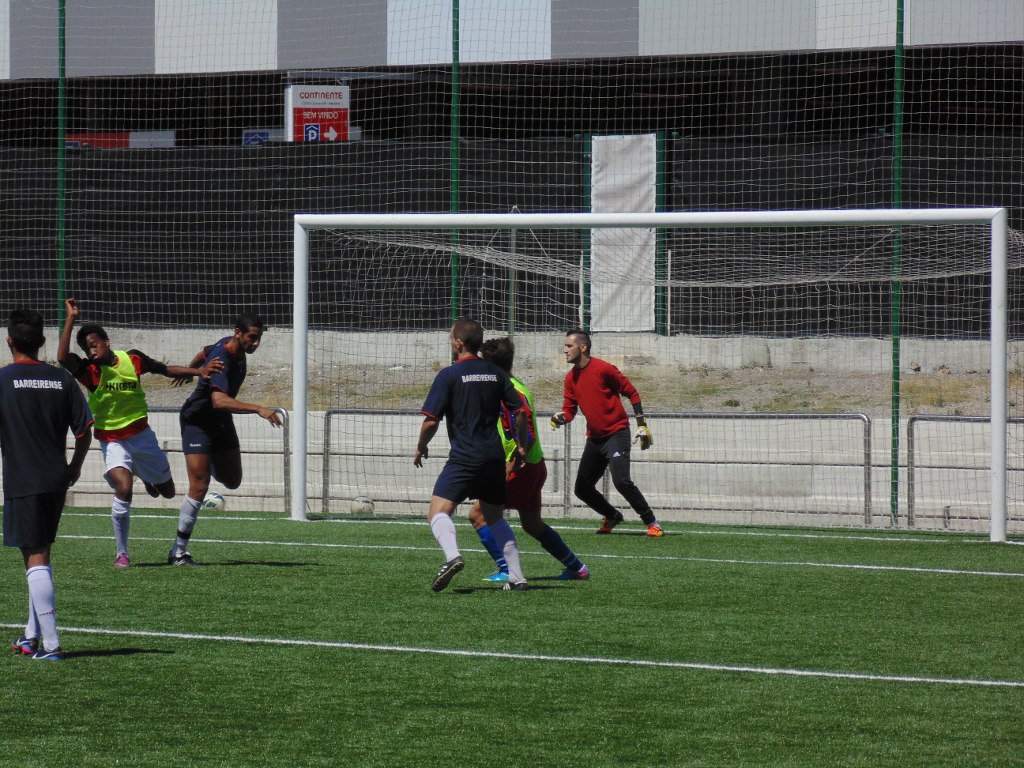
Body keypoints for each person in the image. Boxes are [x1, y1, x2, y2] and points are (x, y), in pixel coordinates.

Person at [57, 297, 221, 568]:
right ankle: (122, 553)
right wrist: (71, 319)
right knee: (124, 488)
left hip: (142, 437)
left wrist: (198, 370)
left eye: (94, 345)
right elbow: (63, 358)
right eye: (87, 349)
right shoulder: (89, 371)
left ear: (106, 341)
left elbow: (164, 369)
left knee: (167, 492)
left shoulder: (132, 359)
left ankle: (145, 475)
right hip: (112, 440)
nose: (91, 351)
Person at [414, 319, 531, 592]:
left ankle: (453, 556)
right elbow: (520, 412)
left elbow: (431, 420)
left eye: (450, 338)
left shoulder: (449, 375)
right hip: (494, 458)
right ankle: (517, 578)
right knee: (494, 518)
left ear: (458, 342)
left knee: (438, 512)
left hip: (465, 457)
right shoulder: (495, 372)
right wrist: (521, 444)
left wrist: (421, 446)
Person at [3, 309, 93, 661]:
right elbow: (85, 431)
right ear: (42, 342)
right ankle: (31, 636)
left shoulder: (3, 380)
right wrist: (75, 467)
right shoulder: (62, 379)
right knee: (40, 555)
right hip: (56, 478)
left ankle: (52, 646)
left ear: (9, 341)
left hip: (23, 479)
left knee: (35, 557)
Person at [468, 337, 589, 582]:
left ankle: (506, 569)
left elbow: (528, 434)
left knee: (478, 515)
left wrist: (510, 464)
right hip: (533, 466)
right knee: (532, 524)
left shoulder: (509, 391)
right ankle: (577, 568)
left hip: (520, 467)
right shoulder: (513, 385)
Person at [169, 313, 282, 565]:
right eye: (252, 337)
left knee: (232, 480)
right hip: (197, 421)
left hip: (220, 421)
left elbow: (203, 351)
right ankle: (178, 551)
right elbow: (219, 400)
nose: (256, 343)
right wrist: (259, 409)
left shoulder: (230, 346)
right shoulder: (223, 358)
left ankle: (204, 461)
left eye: (259, 338)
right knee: (200, 486)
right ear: (237, 333)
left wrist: (193, 370)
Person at [551, 328, 664, 537]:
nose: (565, 350)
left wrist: (642, 423)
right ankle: (612, 515)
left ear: (582, 347)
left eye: (569, 346)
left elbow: (632, 392)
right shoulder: (570, 378)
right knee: (582, 489)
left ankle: (652, 522)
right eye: (564, 346)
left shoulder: (604, 369)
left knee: (621, 481)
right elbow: (569, 410)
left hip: (616, 434)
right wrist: (561, 418)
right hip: (595, 439)